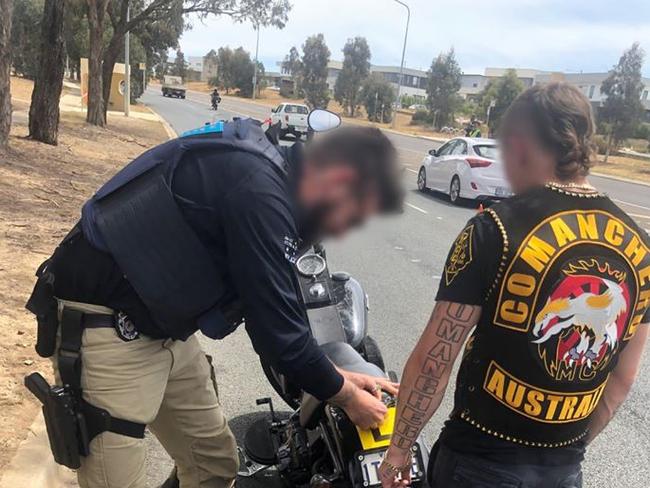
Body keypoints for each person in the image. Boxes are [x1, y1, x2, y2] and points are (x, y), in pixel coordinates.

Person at [27, 118, 403, 488]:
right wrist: (349, 396)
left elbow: (276, 310)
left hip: (165, 326)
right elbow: (280, 338)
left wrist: (340, 377)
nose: (343, 230)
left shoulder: (273, 176)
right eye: (352, 216)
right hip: (107, 323)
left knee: (213, 464)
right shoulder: (258, 191)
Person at [378, 83, 650, 488]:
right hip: (562, 469)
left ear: (521, 146)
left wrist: (399, 449)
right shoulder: (641, 244)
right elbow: (623, 379)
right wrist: (565, 455)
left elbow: (435, 358)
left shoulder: (494, 229)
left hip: (478, 463)